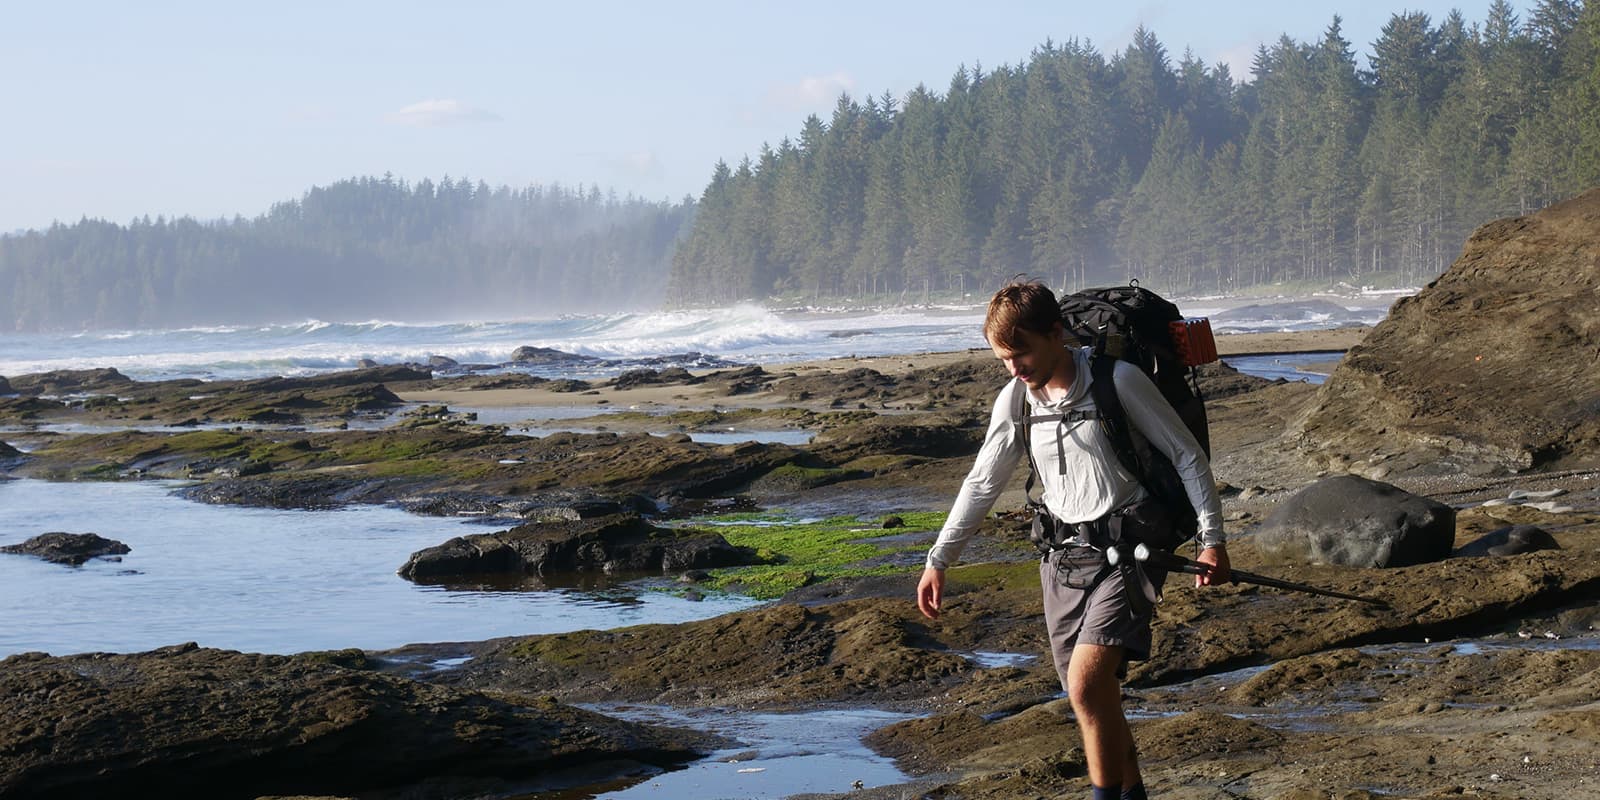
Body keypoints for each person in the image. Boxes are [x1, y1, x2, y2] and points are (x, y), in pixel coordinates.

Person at [915, 279, 1230, 800]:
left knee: (1085, 686)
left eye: (1022, 353)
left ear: (1055, 333)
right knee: (1093, 695)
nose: (1015, 368)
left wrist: (1211, 540)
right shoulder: (1016, 400)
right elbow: (983, 482)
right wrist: (939, 558)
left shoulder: (1117, 380)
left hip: (1132, 550)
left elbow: (1186, 455)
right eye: (1003, 359)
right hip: (1062, 559)